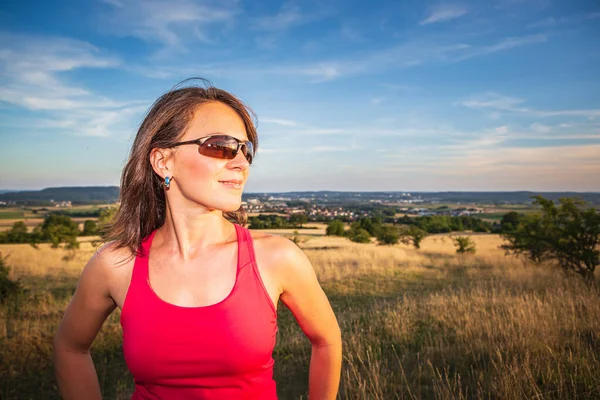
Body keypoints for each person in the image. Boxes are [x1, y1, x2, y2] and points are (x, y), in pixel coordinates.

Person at [52, 80, 342, 399]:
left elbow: (326, 340)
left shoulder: (277, 258)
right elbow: (70, 347)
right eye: (221, 146)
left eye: (246, 150)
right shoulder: (116, 264)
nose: (242, 163)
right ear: (163, 161)